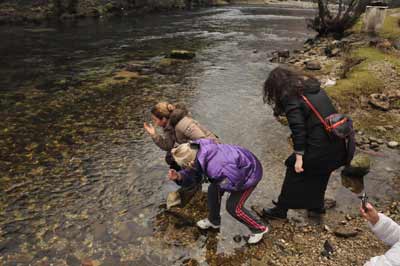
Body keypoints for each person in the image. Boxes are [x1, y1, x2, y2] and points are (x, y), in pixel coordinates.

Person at [262, 66, 347, 219]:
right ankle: (316, 206)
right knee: (321, 173)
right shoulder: (314, 90)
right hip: (338, 143)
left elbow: (298, 129)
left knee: (293, 170)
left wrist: (299, 157)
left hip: (321, 147)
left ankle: (281, 210)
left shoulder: (291, 98)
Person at [168, 139, 269, 244]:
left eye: (184, 166)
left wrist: (223, 185)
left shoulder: (216, 167)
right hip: (236, 169)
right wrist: (179, 176)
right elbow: (194, 174)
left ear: (190, 163)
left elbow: (237, 183)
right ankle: (214, 221)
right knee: (213, 191)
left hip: (249, 175)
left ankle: (259, 229)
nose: (183, 168)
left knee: (233, 207)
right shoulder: (195, 147)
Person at [144, 102, 218, 187]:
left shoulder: (183, 124)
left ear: (163, 119)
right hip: (197, 149)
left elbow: (204, 141)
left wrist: (193, 161)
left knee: (179, 157)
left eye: (155, 120)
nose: (155, 123)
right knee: (170, 158)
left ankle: (196, 180)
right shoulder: (169, 127)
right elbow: (168, 146)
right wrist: (154, 135)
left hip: (212, 149)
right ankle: (193, 182)